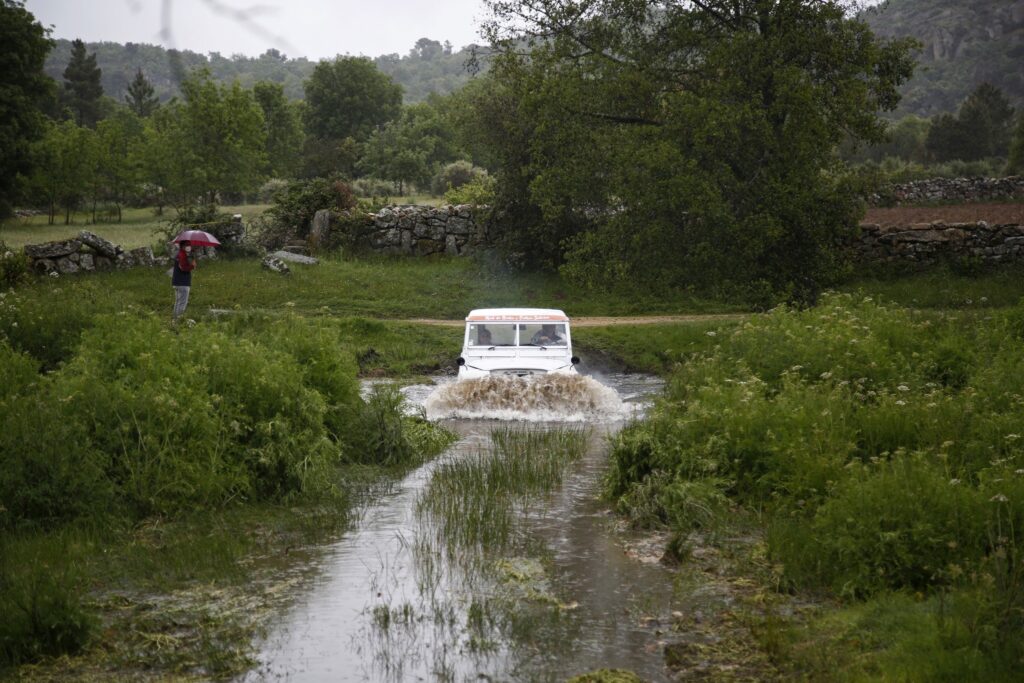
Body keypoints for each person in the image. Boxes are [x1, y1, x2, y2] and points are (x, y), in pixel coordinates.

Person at [171, 240, 197, 321]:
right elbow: (183, 268)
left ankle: (174, 320)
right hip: (183, 283)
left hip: (178, 282)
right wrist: (192, 266)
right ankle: (179, 320)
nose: (189, 247)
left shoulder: (180, 254)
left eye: (190, 245)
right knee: (182, 303)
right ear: (182, 246)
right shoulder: (182, 255)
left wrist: (191, 262)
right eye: (187, 245)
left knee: (178, 302)